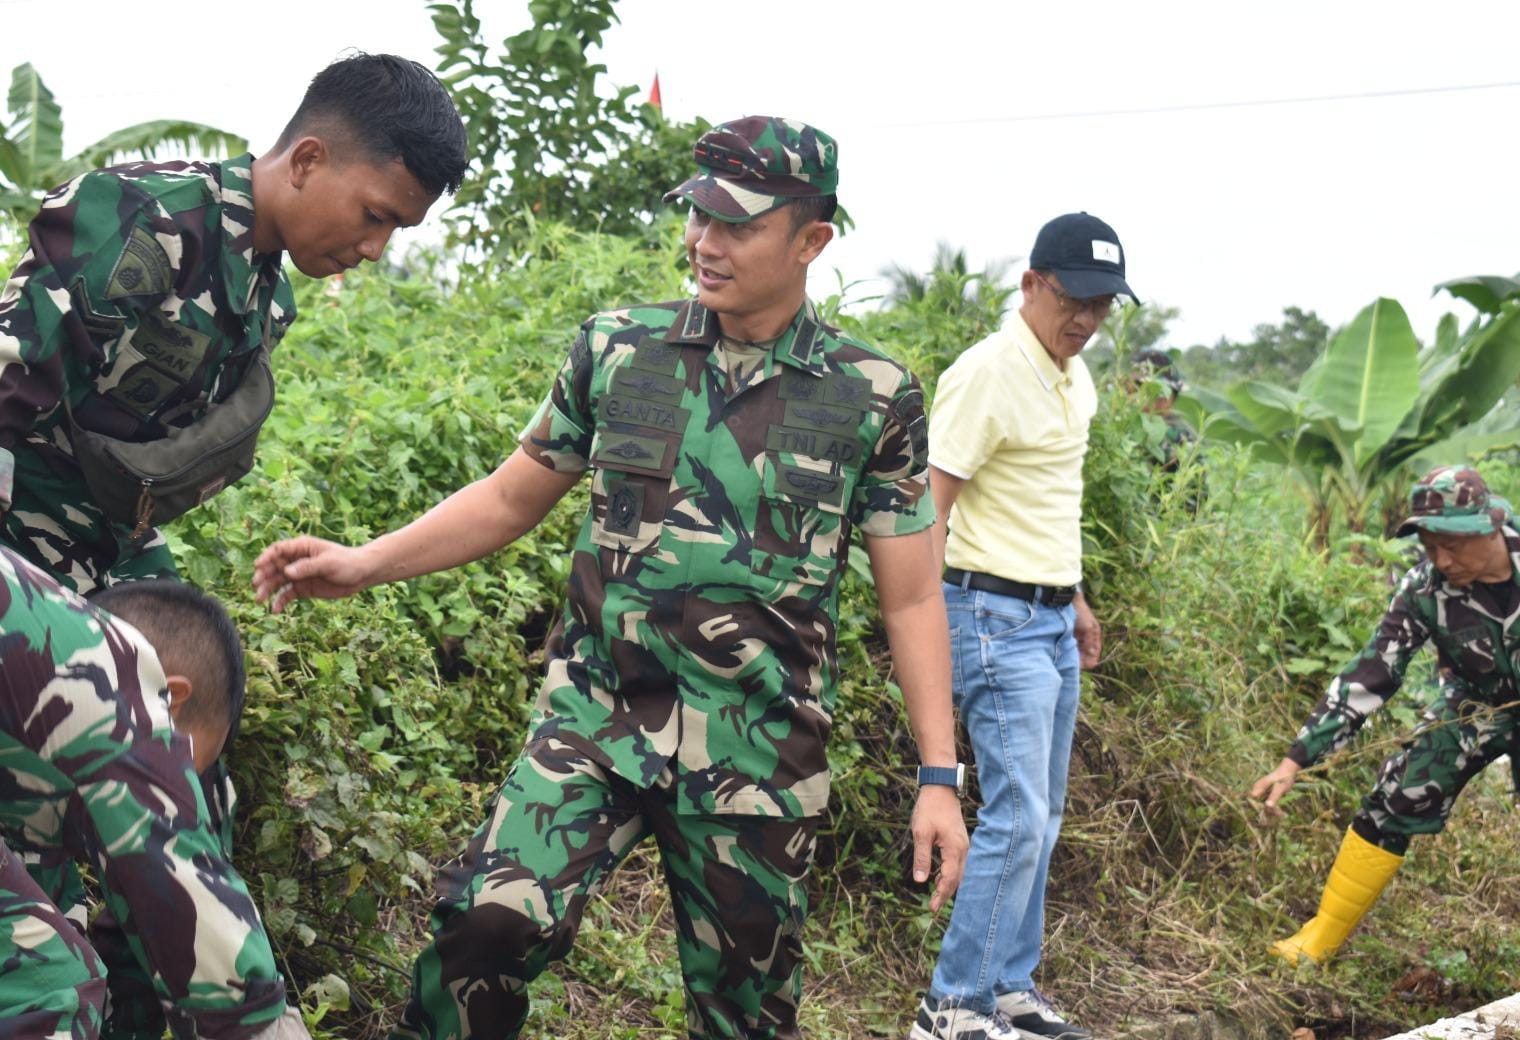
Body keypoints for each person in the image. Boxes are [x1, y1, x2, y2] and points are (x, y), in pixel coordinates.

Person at [252, 115, 968, 1040]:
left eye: (737, 225)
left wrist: (938, 774)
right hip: (598, 720)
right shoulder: (620, 349)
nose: (704, 244)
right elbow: (512, 499)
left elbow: (912, 595)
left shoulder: (871, 394)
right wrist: (365, 562)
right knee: (482, 924)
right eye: (698, 216)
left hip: (759, 754)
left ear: (812, 242)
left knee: (746, 1012)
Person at [0, 52, 467, 595]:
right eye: (375, 216)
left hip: (107, 547)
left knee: (189, 664)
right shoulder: (148, 219)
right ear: (306, 161)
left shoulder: (269, 300)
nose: (375, 249)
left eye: (398, 229)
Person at [0, 500, 307, 1039]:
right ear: (168, 699)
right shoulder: (117, 680)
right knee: (42, 996)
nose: (180, 794)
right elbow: (228, 983)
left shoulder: (23, 681)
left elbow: (30, 884)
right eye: (184, 771)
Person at [912, 213, 1135, 1040]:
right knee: (1014, 812)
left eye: (1102, 305)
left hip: (1046, 615)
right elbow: (927, 511)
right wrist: (927, 623)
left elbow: (1048, 501)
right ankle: (950, 1007)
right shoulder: (988, 373)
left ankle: (1008, 989)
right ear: (1031, 285)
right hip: (990, 615)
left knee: (1041, 815)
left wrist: (1073, 597)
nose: (1085, 319)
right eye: (1073, 298)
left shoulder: (1073, 376)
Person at [1251, 465, 1518, 965]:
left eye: (1453, 545)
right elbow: (1373, 671)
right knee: (1396, 793)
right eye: (1432, 546)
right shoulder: (1424, 588)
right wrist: (1295, 760)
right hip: (1474, 705)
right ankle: (1320, 937)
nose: (1443, 559)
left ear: (1489, 526)